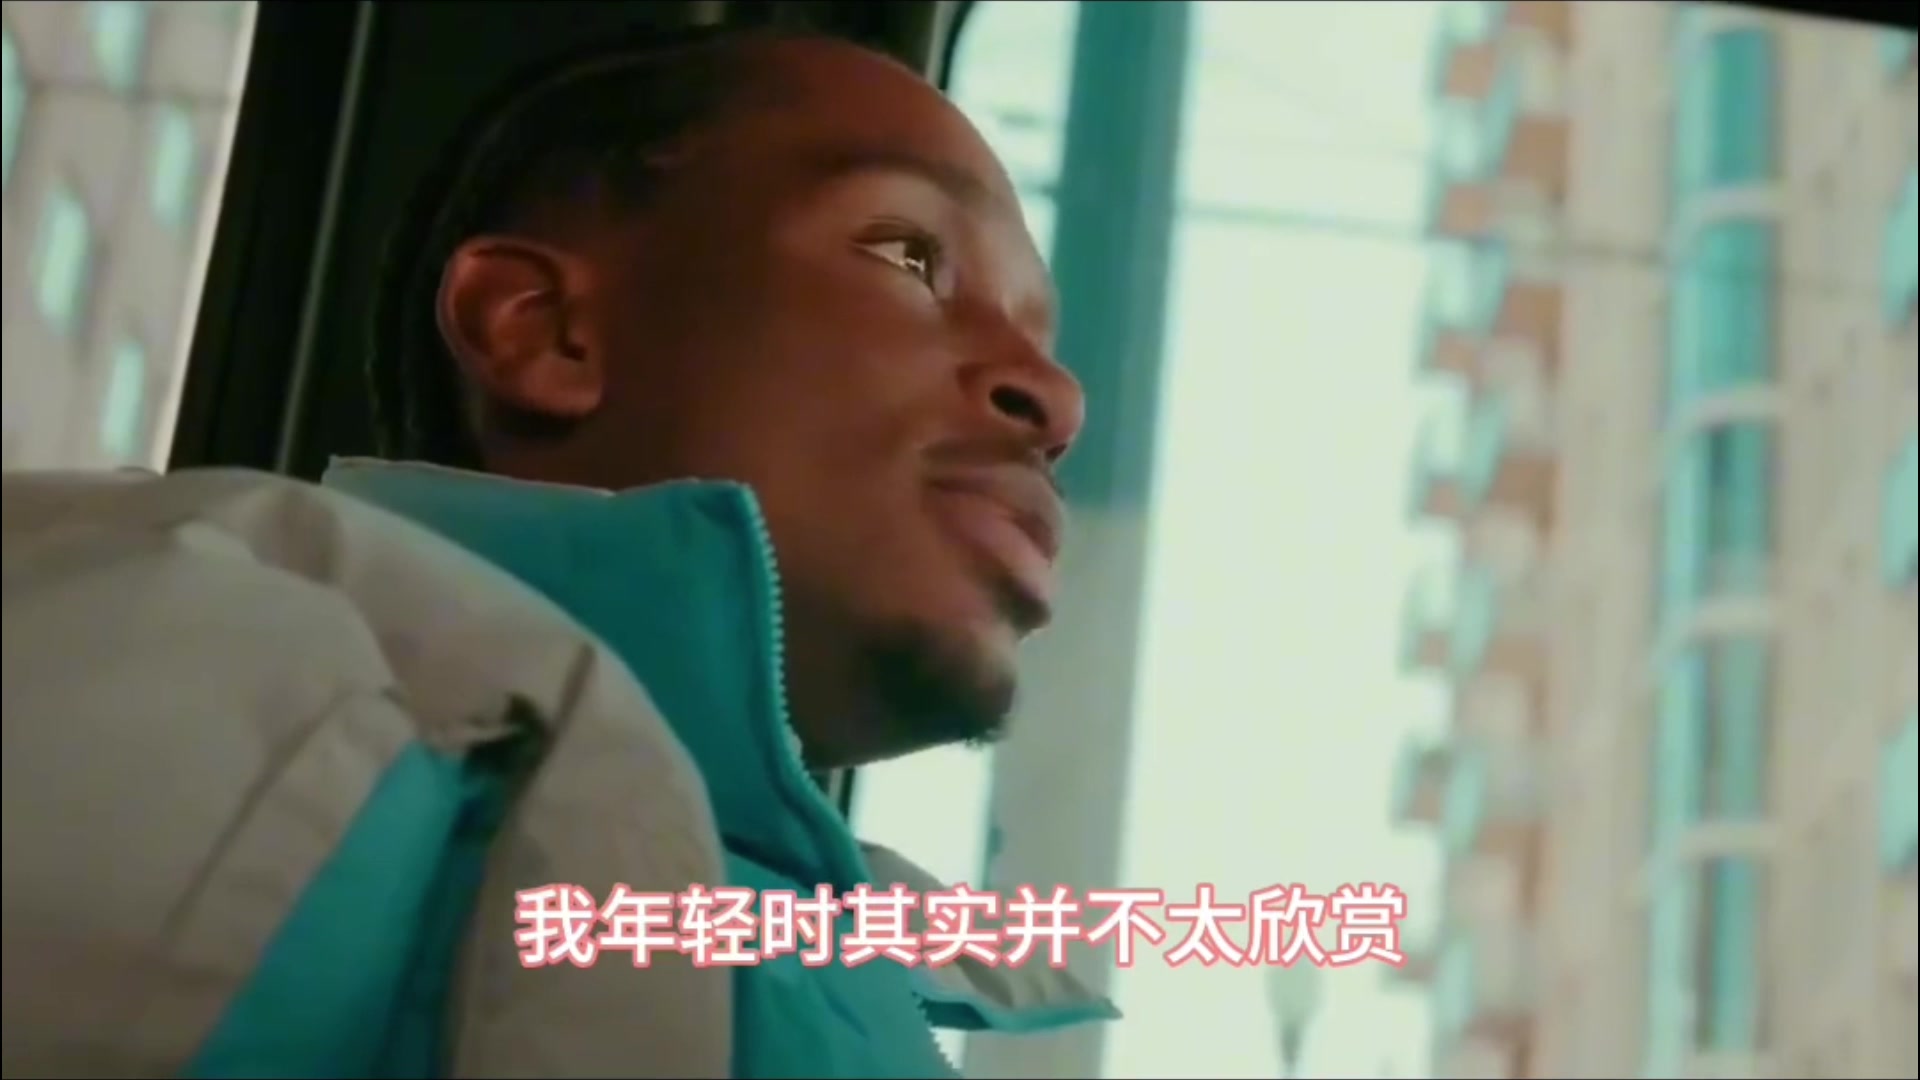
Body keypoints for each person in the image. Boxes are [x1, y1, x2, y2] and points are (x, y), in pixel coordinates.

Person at [0, 23, 1115, 1080]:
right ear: (540, 330)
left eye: (1042, 335)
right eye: (910, 254)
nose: (1057, 398)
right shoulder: (209, 681)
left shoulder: (792, 937)